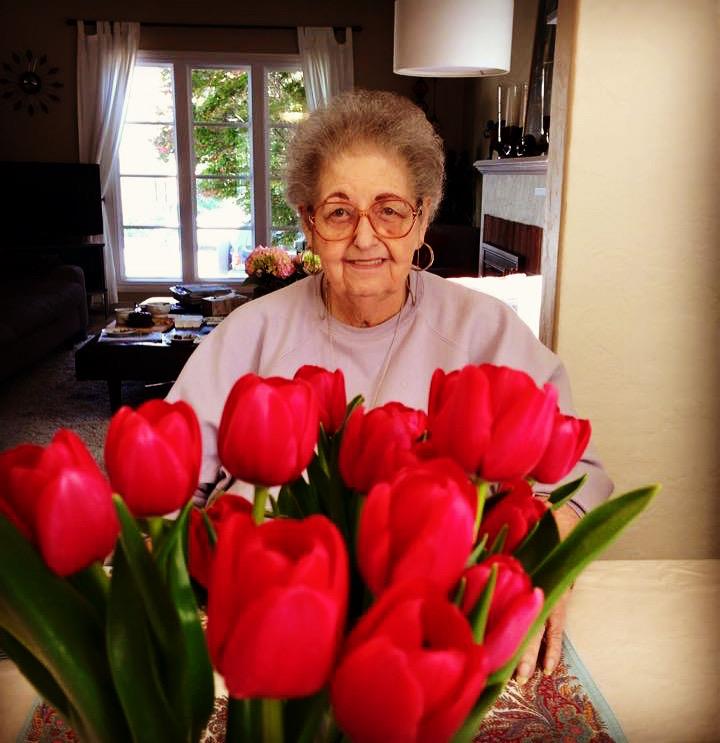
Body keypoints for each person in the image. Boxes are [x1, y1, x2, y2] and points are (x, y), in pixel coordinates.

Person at [166, 88, 613, 684]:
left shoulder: (484, 329)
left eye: (390, 210)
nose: (365, 237)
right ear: (308, 222)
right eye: (339, 212)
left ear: (422, 217)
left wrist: (548, 559)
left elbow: (578, 474)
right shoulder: (251, 331)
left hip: (430, 643)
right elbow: (172, 484)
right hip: (265, 633)